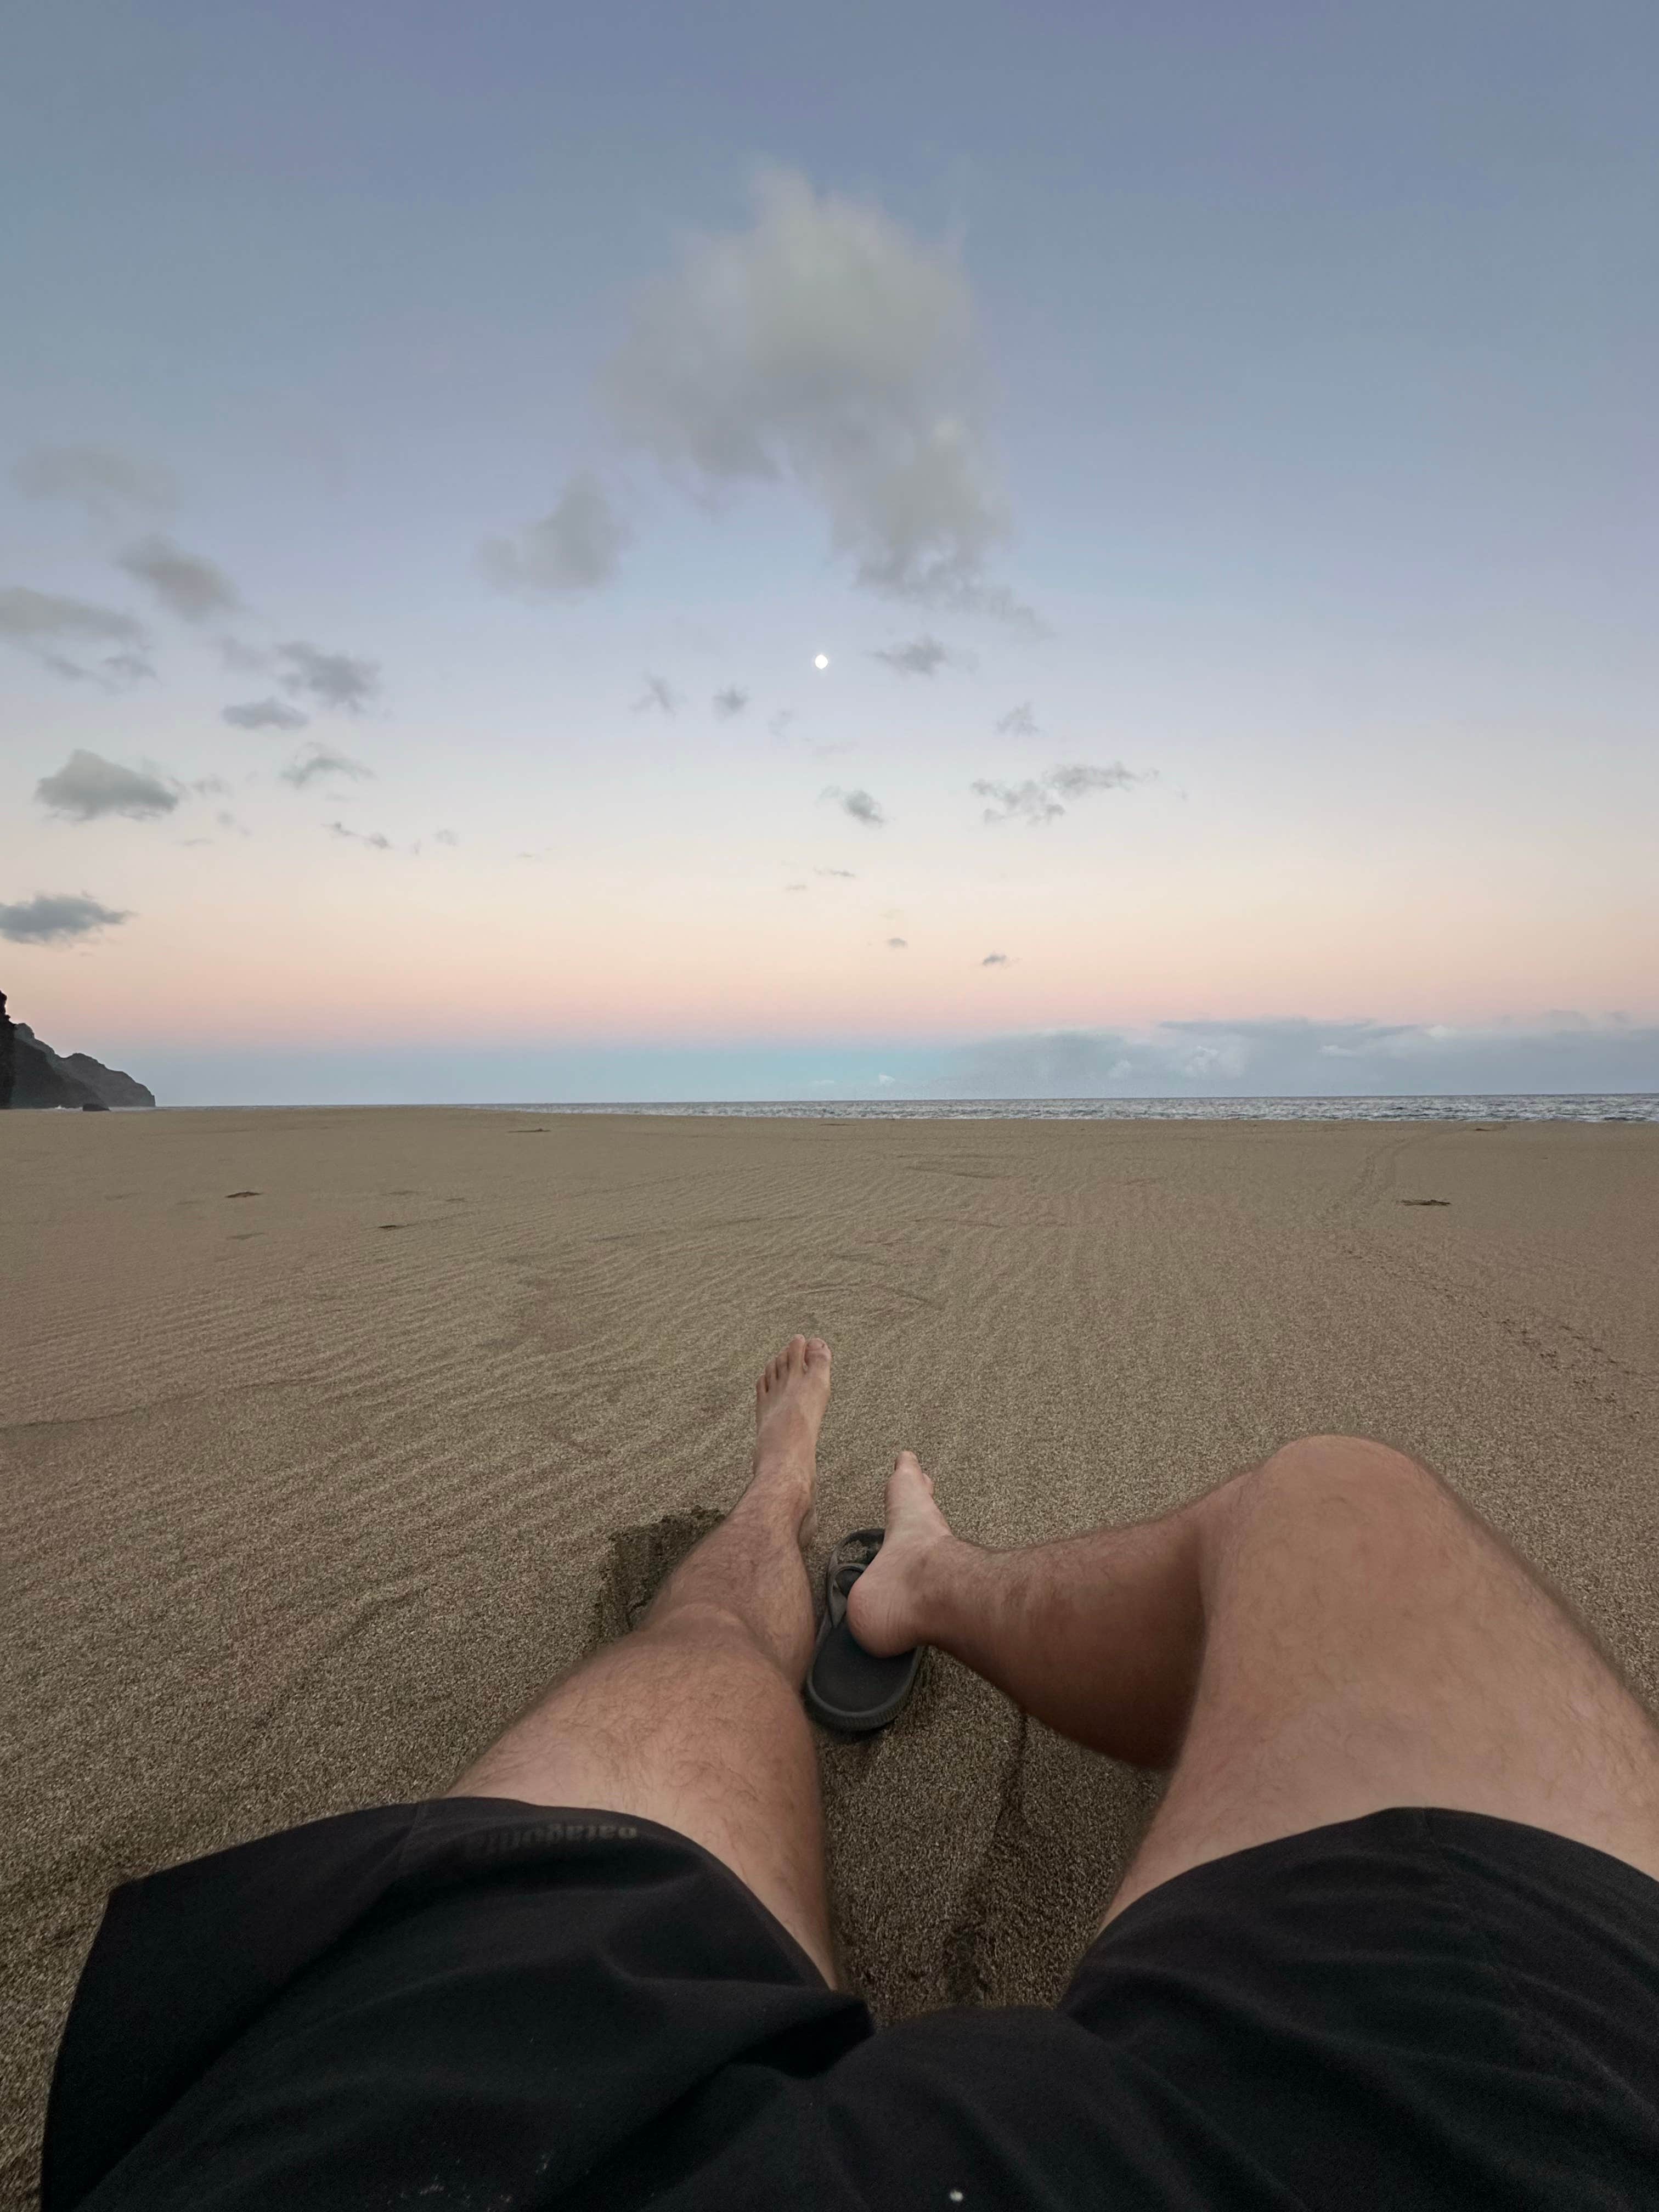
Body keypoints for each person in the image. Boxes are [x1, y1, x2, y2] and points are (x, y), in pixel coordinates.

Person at [45, 1336, 1659, 2208]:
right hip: (1474, 2142)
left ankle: (776, 1519)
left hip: (447, 2158)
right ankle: (923, 1583)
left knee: (690, 1677)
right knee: (1342, 1506)